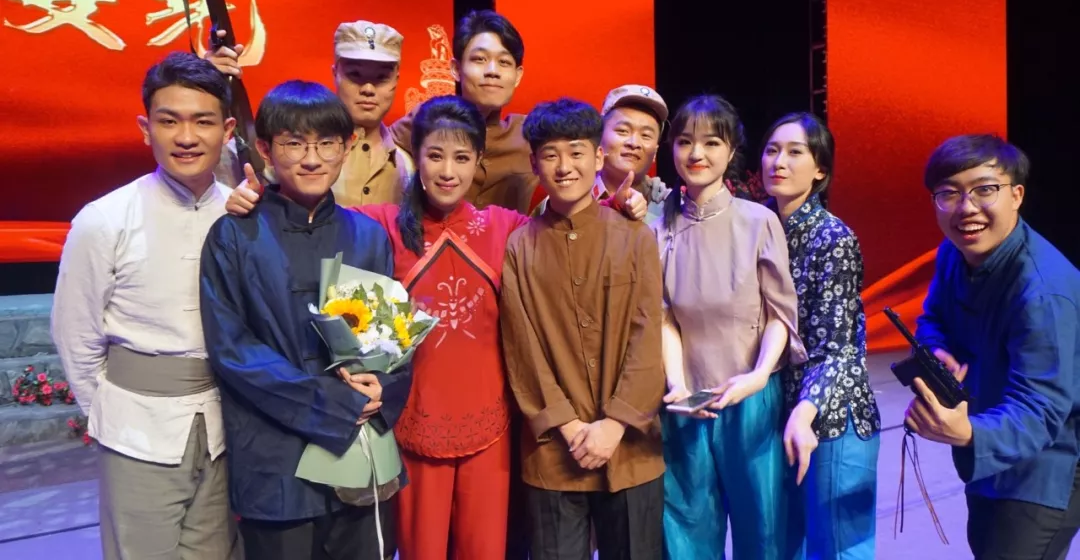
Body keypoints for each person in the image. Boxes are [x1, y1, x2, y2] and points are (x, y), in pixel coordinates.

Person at [220, 95, 648, 560]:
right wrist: (258, 197)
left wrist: (617, 205)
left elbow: (567, 227)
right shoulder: (378, 226)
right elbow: (312, 216)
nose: (448, 171)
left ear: (478, 161)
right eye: (435, 156)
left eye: (462, 158)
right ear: (415, 159)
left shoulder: (505, 227)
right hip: (412, 426)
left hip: (492, 431)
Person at [199, 80, 412, 560]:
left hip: (358, 453)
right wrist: (333, 403)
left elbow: (390, 341)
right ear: (265, 149)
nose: (312, 159)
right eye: (294, 144)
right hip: (275, 460)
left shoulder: (367, 236)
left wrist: (382, 386)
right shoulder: (235, 235)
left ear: (345, 148)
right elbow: (232, 349)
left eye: (326, 144)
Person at [52, 52, 241, 560]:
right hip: (135, 429)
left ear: (227, 131)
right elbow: (74, 334)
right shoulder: (104, 219)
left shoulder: (242, 213)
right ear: (145, 129)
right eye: (169, 121)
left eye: (203, 122)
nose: (186, 137)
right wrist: (110, 415)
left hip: (224, 427)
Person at [500, 97, 666, 560]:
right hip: (554, 451)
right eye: (550, 155)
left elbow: (648, 337)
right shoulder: (520, 246)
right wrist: (568, 425)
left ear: (598, 156)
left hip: (631, 448)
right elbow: (522, 347)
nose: (564, 166)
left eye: (576, 152)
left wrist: (616, 423)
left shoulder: (635, 236)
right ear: (534, 163)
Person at [907, 134, 1080, 560]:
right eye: (949, 193)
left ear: (1016, 195)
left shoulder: (1043, 291)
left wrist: (967, 432)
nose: (966, 208)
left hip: (1047, 466)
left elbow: (1041, 410)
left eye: (984, 189)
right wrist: (935, 351)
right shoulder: (954, 253)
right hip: (988, 448)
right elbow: (933, 319)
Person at [657, 95, 807, 560]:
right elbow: (664, 317)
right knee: (686, 530)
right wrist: (677, 385)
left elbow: (780, 313)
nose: (696, 153)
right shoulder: (657, 228)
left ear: (731, 151)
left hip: (752, 400)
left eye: (711, 142)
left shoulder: (759, 220)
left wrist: (759, 377)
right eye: (684, 142)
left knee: (763, 529)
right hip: (686, 402)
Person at [762, 113, 881, 559]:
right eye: (772, 150)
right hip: (779, 411)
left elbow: (837, 345)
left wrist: (805, 410)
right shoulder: (760, 228)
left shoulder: (833, 237)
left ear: (820, 170)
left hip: (832, 414)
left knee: (839, 548)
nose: (779, 161)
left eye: (795, 152)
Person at [206, 20, 414, 205]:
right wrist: (205, 81)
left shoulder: (409, 163)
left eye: (381, 77)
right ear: (335, 73)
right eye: (355, 74)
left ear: (396, 80)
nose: (368, 89)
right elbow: (204, 166)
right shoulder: (288, 149)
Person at [390, 10, 533, 214]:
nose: (492, 71)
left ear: (517, 76)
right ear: (456, 69)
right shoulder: (430, 118)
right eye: (479, 59)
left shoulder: (530, 135)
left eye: (504, 62)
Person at [533, 84, 669, 224]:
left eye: (646, 135)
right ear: (599, 137)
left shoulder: (672, 209)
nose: (634, 143)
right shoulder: (561, 201)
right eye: (622, 131)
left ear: (656, 152)